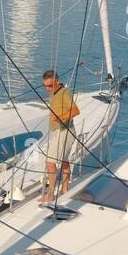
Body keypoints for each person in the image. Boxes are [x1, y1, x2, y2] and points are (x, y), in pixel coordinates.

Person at [41, 68, 81, 203]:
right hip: (59, 132)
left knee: (50, 163)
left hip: (64, 132)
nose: (47, 89)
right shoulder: (55, 92)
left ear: (57, 82)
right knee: (64, 161)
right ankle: (65, 189)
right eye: (45, 86)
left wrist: (60, 117)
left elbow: (76, 110)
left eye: (50, 85)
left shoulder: (64, 93)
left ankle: (51, 194)